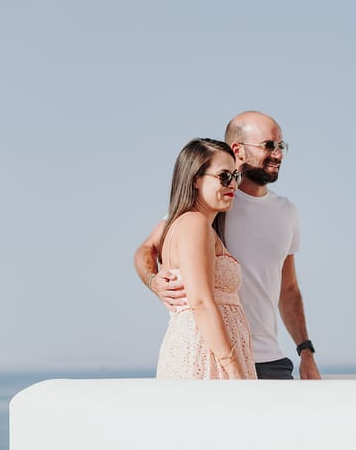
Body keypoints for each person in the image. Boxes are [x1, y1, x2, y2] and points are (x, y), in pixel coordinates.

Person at [136, 111, 320, 380]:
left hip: (268, 357)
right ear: (239, 150)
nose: (278, 154)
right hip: (217, 354)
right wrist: (154, 281)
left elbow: (289, 288)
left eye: (281, 146)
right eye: (269, 145)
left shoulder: (284, 211)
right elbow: (147, 250)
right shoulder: (210, 204)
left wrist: (305, 351)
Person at [153, 138, 255, 379]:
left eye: (234, 176)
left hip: (206, 347)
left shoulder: (193, 225)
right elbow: (200, 301)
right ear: (196, 179)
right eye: (223, 177)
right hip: (205, 352)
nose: (233, 185)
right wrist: (234, 370)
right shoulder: (194, 224)